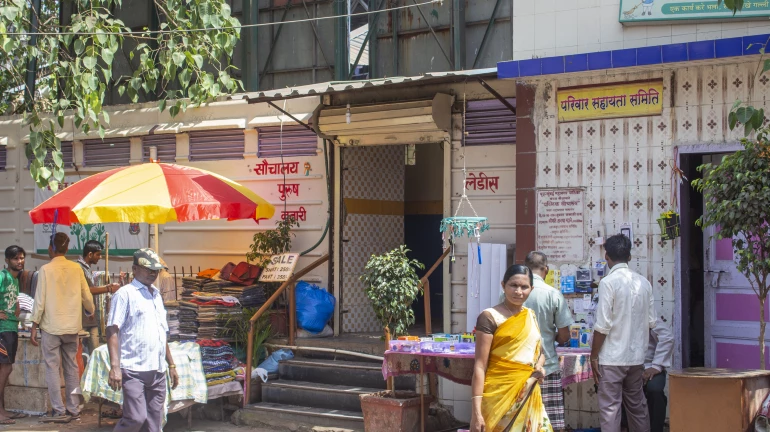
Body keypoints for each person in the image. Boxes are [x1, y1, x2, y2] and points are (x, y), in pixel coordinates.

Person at [471, 264, 553, 432]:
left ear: (531, 288)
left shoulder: (530, 315)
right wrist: (476, 412)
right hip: (498, 395)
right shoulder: (490, 317)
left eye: (524, 287)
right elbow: (480, 366)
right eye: (513, 285)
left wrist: (539, 367)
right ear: (503, 285)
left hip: (528, 390)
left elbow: (540, 353)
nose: (518, 291)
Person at [107, 248, 179, 432]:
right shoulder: (125, 294)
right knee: (136, 418)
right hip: (133, 370)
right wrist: (115, 367)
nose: (153, 273)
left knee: (154, 424)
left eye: (156, 270)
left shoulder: (156, 295)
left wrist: (171, 365)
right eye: (148, 269)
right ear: (135, 269)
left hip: (157, 371)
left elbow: (161, 333)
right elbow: (112, 330)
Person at [590, 234, 656, 432]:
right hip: (636, 358)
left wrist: (594, 356)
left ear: (607, 256)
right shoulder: (644, 283)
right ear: (629, 257)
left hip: (611, 359)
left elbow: (602, 325)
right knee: (637, 406)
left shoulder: (608, 282)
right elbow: (652, 323)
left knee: (610, 409)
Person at [30, 233, 95, 424]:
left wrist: (34, 325)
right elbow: (87, 296)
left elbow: (39, 301)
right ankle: (73, 409)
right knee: (72, 368)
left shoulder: (45, 270)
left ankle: (58, 410)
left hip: (51, 327)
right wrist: (90, 310)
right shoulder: (76, 268)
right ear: (67, 249)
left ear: (51, 248)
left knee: (52, 368)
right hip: (72, 327)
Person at [522, 252, 573, 431]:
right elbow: (565, 335)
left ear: (525, 269)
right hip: (547, 367)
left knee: (521, 420)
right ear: (547, 270)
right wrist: (552, 337)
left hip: (518, 365)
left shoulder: (509, 292)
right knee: (549, 422)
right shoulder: (553, 294)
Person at [77, 240, 121, 353]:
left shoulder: (86, 268)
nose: (100, 257)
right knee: (81, 352)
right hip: (81, 318)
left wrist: (107, 286)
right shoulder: (78, 268)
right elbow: (86, 291)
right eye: (98, 254)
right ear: (90, 254)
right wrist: (108, 288)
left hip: (90, 318)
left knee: (94, 351)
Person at [0, 246, 24, 425]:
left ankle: (2, 409)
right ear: (7, 260)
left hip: (12, 327)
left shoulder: (15, 281)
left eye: (22, 258)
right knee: (5, 369)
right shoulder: (3, 276)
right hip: (2, 329)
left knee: (6, 369)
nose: (20, 261)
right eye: (16, 258)